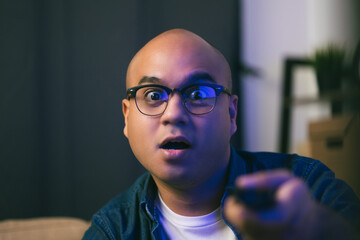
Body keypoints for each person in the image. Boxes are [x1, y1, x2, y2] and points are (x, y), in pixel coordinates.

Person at [82, 29, 360, 240]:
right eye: (153, 95)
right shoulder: (112, 231)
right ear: (127, 118)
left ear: (231, 114)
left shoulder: (308, 187)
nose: (173, 114)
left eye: (199, 93)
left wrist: (315, 226)